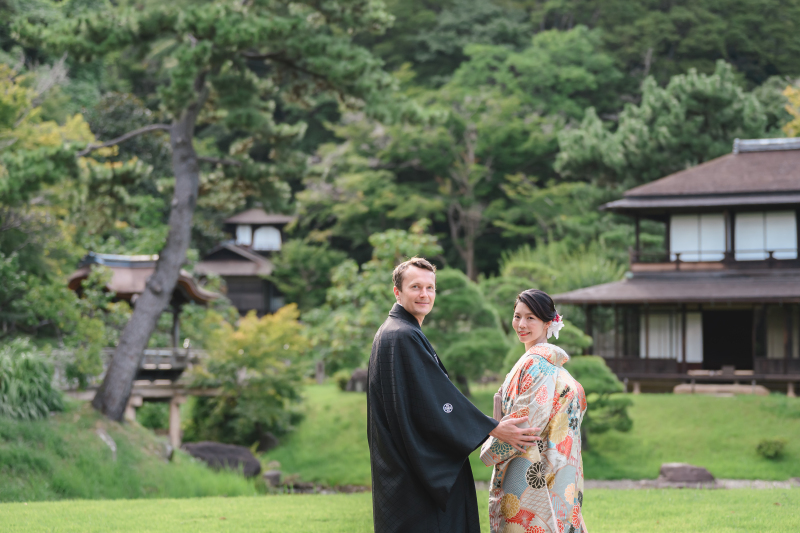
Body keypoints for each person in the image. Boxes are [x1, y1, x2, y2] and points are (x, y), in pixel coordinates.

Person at [368, 257, 541, 533]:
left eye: (430, 288)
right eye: (415, 287)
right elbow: (435, 401)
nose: (424, 294)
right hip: (416, 474)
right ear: (397, 292)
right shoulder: (401, 335)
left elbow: (426, 398)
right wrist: (494, 428)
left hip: (403, 467)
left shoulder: (395, 332)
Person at [480, 289, 588, 533]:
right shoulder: (553, 366)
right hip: (561, 465)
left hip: (535, 467)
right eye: (517, 316)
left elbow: (525, 427)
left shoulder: (535, 364)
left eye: (531, 318)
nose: (521, 324)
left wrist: (489, 449)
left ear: (548, 323)